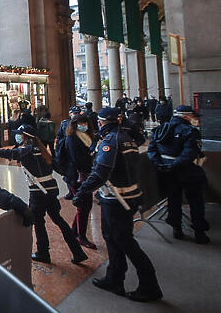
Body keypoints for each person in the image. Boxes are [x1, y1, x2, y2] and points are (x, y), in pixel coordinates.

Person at [73, 107, 162, 302]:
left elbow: (100, 172)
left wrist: (82, 191)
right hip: (123, 196)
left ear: (102, 122)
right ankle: (114, 278)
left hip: (117, 200)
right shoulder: (126, 137)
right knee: (112, 238)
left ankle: (150, 284)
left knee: (125, 241)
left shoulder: (110, 141)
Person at [0, 125, 88, 265]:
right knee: (58, 220)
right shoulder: (41, 149)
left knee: (39, 222)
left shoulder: (28, 148)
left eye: (19, 134)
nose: (17, 137)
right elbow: (57, 167)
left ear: (25, 136)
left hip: (39, 192)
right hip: (51, 189)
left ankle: (43, 252)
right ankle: (77, 251)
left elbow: (15, 153)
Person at [148, 105, 209, 243]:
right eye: (193, 117)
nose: (195, 120)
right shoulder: (190, 132)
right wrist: (174, 165)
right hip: (188, 171)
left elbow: (152, 151)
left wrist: (162, 165)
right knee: (196, 202)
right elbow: (190, 153)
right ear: (186, 116)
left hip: (167, 173)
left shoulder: (160, 129)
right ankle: (199, 232)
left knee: (173, 201)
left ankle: (177, 229)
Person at [63, 114, 98, 249]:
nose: (84, 126)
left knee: (84, 206)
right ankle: (80, 236)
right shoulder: (72, 138)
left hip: (85, 174)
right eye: (81, 123)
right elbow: (77, 158)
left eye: (85, 123)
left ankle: (75, 232)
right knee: (84, 205)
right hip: (76, 176)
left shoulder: (86, 137)